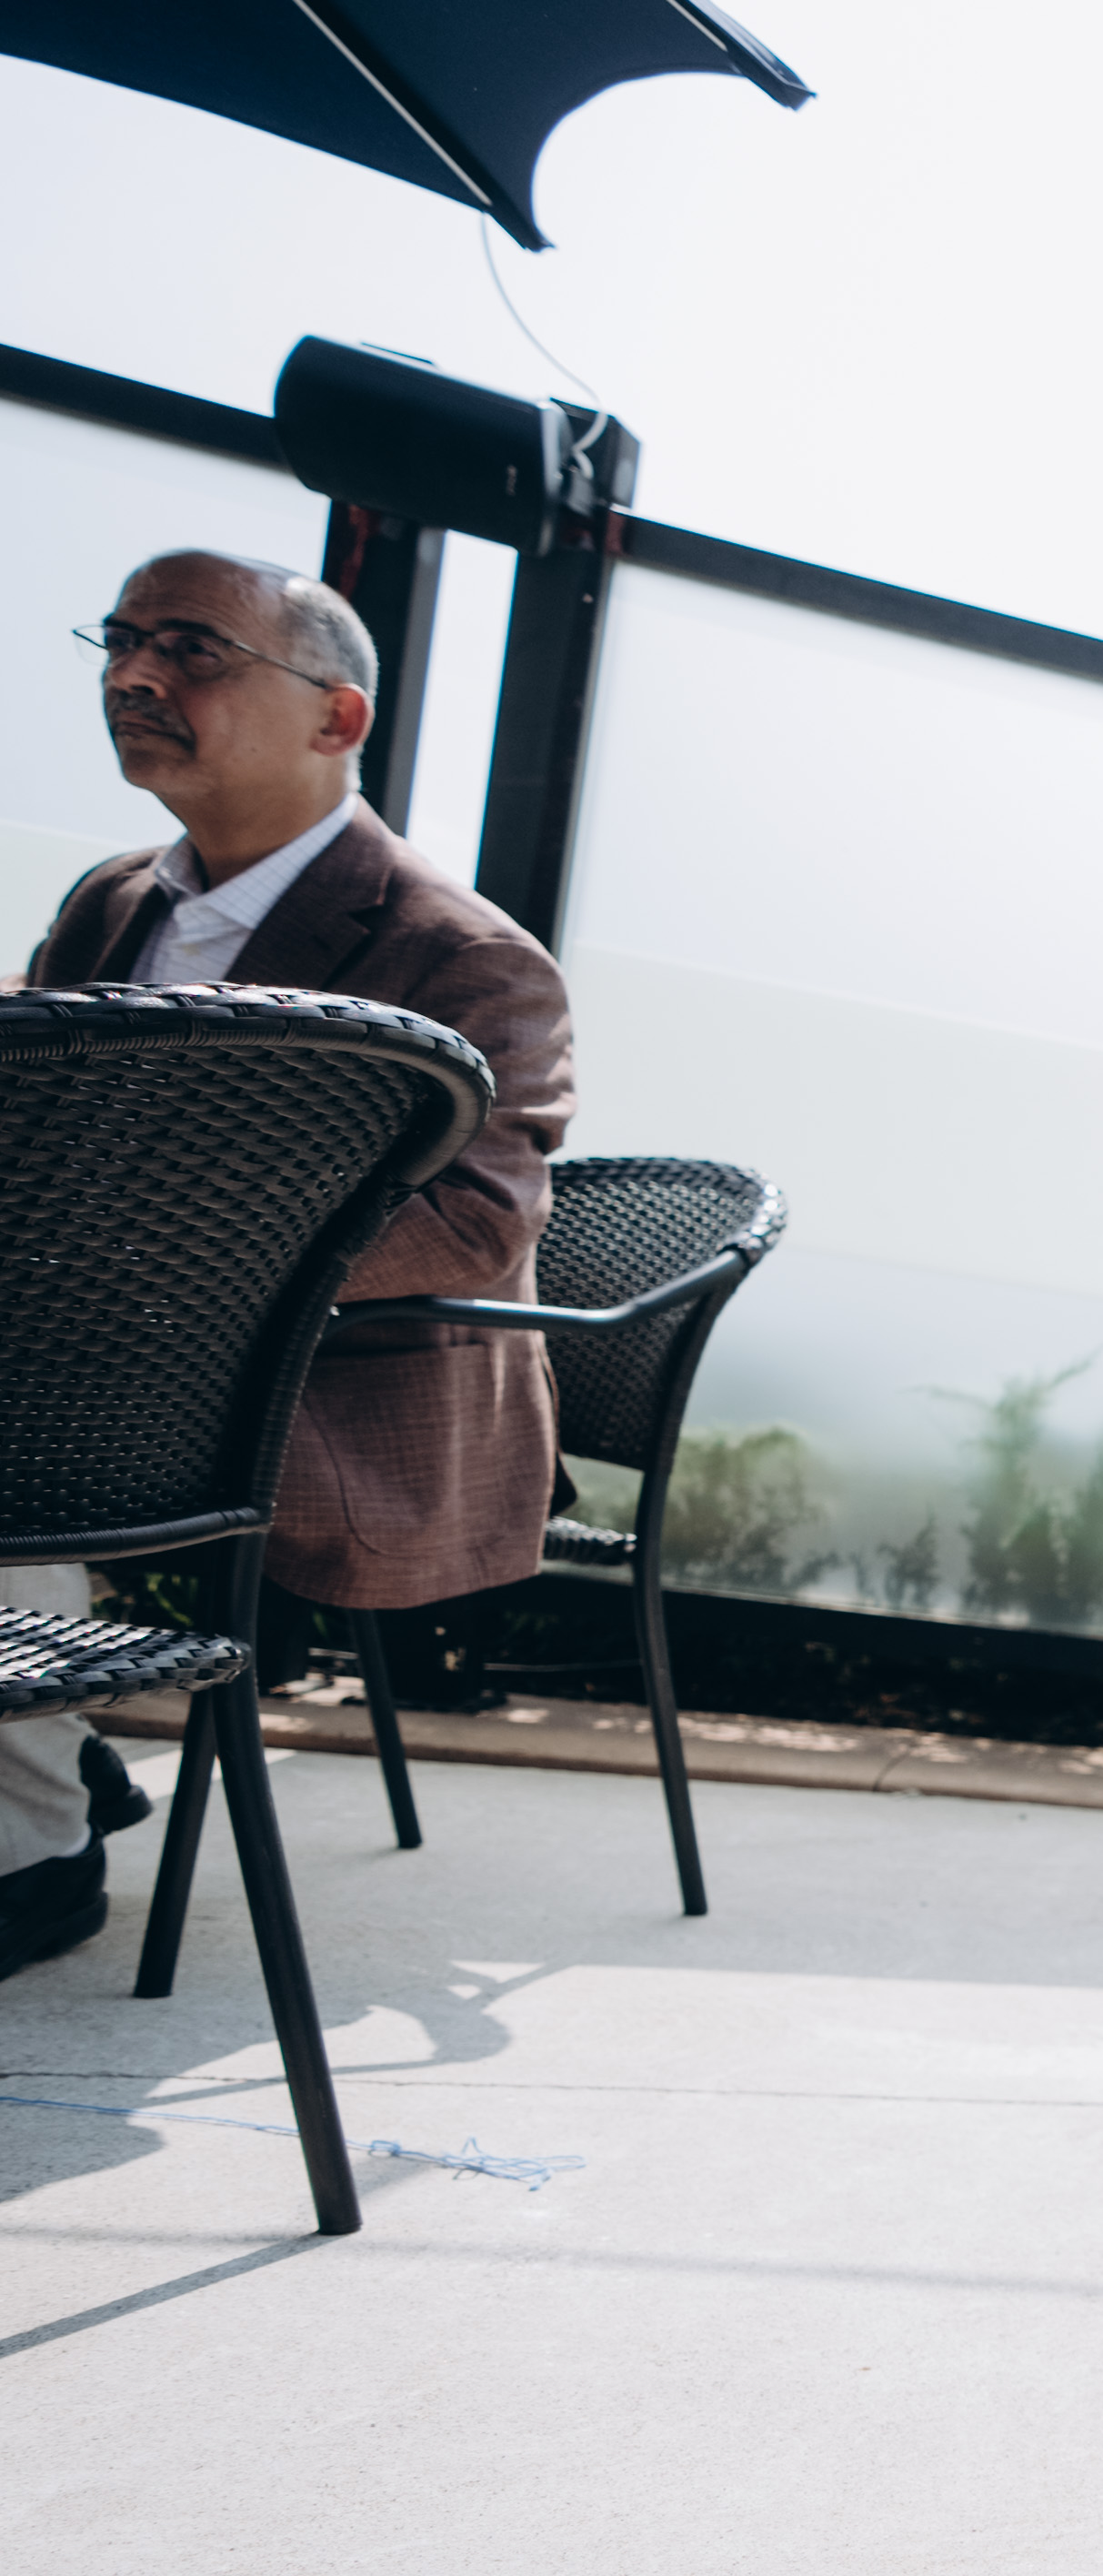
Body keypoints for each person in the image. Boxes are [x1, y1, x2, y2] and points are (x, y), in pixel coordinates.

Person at [4, 548, 575, 1983]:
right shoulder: (113, 899)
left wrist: (136, 1294)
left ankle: (36, 1844)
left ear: (337, 716)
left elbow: (473, 1221)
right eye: (120, 640)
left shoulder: (466, 957)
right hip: (80, 1363)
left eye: (191, 647)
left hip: (316, 1398)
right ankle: (49, 1740)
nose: (134, 675)